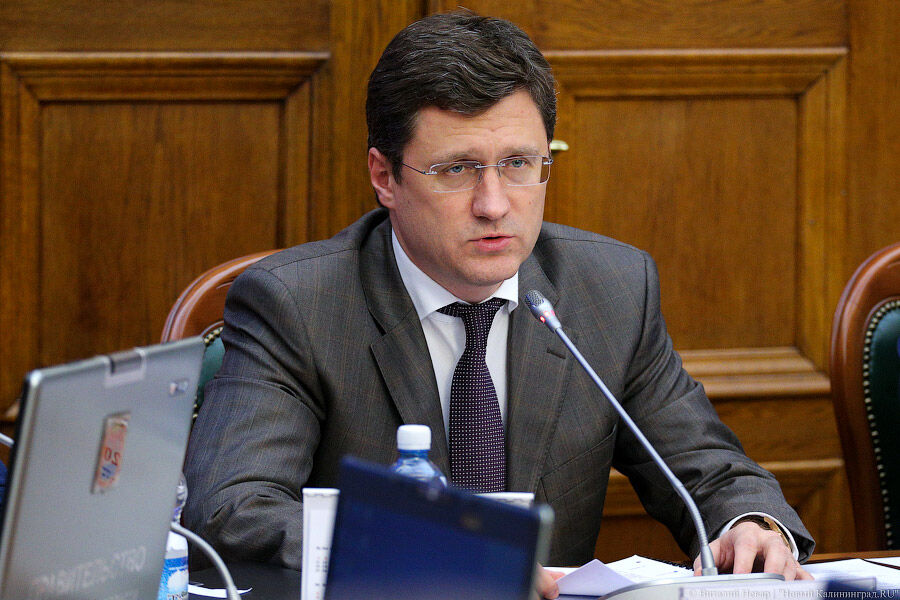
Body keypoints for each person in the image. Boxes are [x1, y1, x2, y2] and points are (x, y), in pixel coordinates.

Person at [183, 11, 814, 598]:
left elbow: (709, 469)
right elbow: (233, 509)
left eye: (518, 164)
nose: (493, 204)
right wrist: (448, 554)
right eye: (456, 170)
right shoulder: (299, 305)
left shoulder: (611, 290)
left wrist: (751, 522)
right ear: (385, 176)